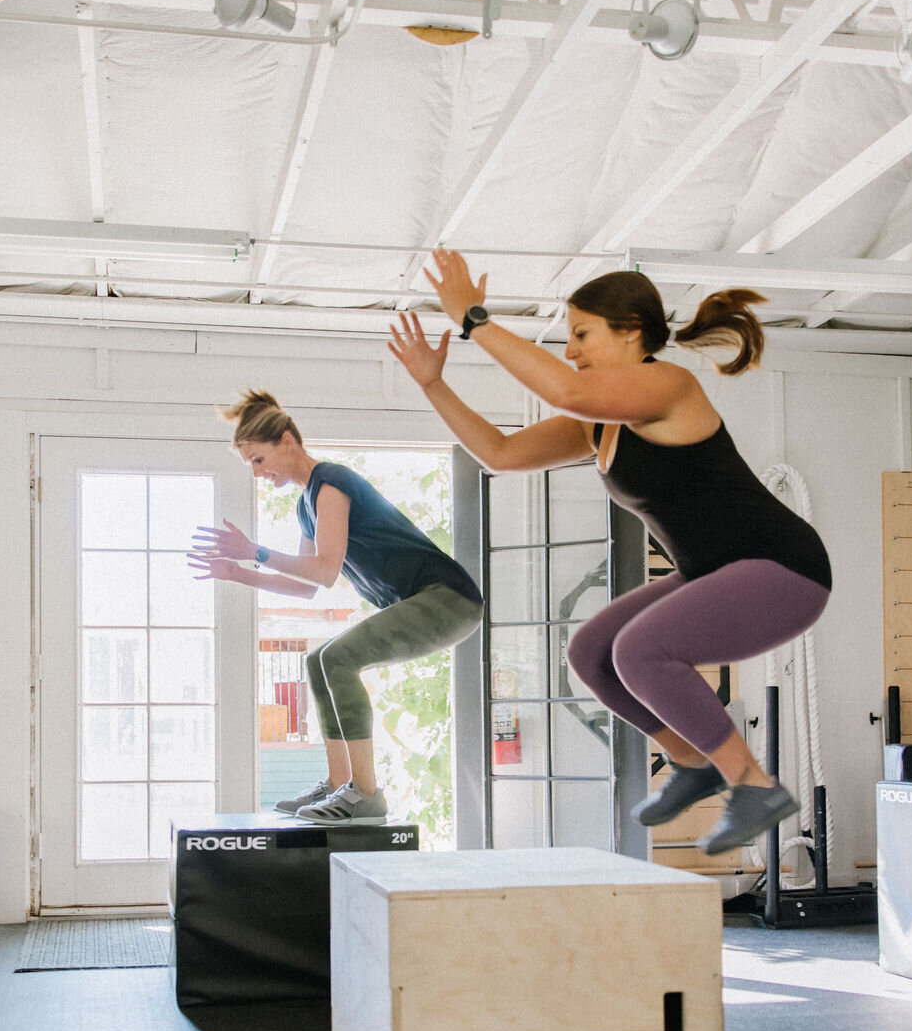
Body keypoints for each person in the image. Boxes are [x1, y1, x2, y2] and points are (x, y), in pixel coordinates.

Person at [387, 250, 831, 855]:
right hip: (717, 570)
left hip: (783, 568)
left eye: (581, 333)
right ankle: (691, 762)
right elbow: (500, 454)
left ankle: (753, 785)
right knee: (592, 653)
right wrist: (433, 384)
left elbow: (567, 385)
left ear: (631, 332)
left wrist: (476, 319)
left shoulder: (669, 383)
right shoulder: (596, 424)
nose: (570, 349)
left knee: (640, 650)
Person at [190, 390, 482, 824]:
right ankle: (340, 782)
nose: (257, 473)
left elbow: (325, 569)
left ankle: (366, 795)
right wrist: (241, 573)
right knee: (317, 660)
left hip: (448, 598)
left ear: (287, 440)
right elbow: (308, 587)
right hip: (424, 601)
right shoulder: (306, 506)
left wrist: (256, 551)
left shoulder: (331, 482)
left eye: (257, 459)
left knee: (339, 658)